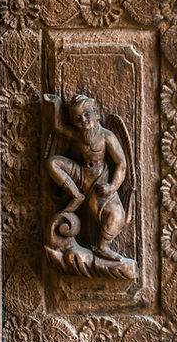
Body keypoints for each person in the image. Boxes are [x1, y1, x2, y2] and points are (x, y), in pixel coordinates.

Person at [44, 93, 128, 261]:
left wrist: (112, 187)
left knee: (118, 216)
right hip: (81, 174)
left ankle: (103, 247)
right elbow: (58, 126)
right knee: (52, 163)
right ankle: (76, 195)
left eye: (87, 114)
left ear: (96, 113)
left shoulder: (106, 136)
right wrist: (55, 104)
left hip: (99, 181)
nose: (83, 120)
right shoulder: (78, 135)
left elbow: (121, 164)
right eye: (78, 118)